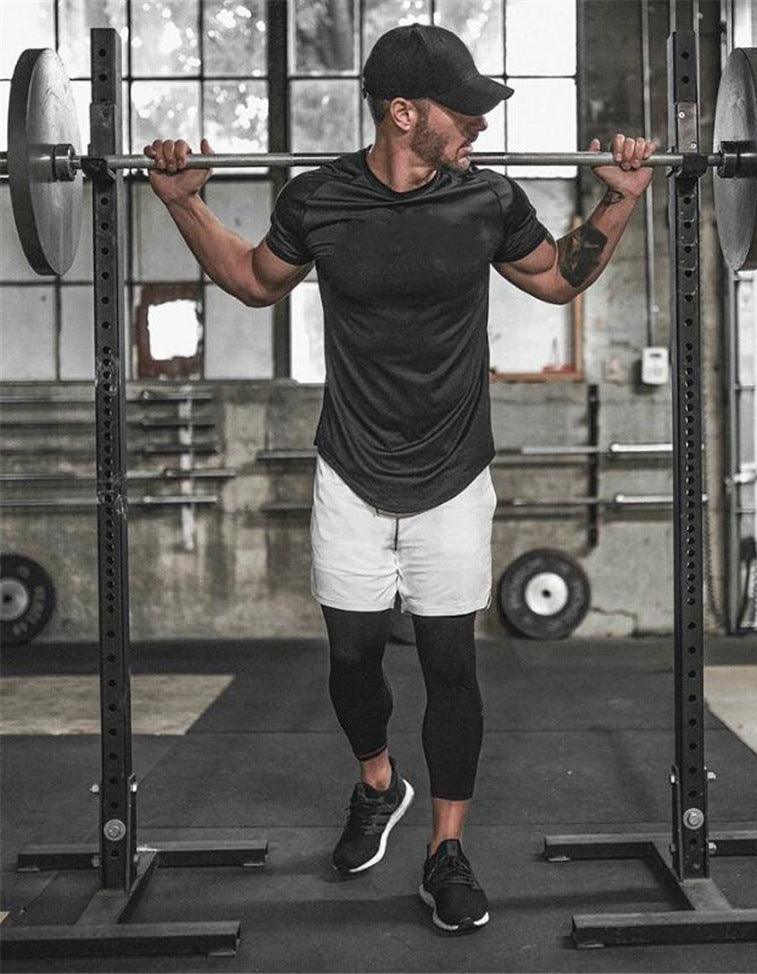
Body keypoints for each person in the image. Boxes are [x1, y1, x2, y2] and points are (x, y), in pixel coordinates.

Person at [144, 23, 654, 934]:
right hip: (351, 466)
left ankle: (445, 851)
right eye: (466, 113)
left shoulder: (488, 199)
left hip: (453, 471)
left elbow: (556, 280)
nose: (480, 128)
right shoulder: (319, 200)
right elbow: (255, 282)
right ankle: (379, 782)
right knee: (352, 660)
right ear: (404, 113)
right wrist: (186, 205)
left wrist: (617, 200)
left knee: (453, 666)